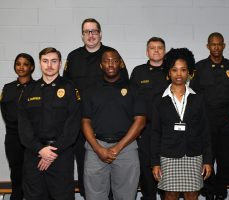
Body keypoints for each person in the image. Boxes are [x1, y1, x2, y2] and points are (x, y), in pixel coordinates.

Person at [63, 18, 129, 198]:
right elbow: (67, 90)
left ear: (100, 33)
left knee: (112, 170)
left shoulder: (112, 55)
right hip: (80, 124)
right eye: (87, 32)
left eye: (94, 31)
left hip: (108, 124)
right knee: (86, 170)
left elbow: (125, 88)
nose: (90, 35)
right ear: (82, 35)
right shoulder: (73, 57)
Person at [81, 48, 146, 200]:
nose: (110, 64)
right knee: (94, 197)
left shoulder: (134, 89)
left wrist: (118, 147)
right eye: (106, 61)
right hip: (95, 147)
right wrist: (98, 149)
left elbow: (141, 121)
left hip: (127, 148)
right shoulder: (90, 91)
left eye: (114, 61)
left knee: (126, 196)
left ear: (121, 64)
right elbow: (85, 121)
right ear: (101, 65)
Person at [18, 47, 81, 200]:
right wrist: (40, 149)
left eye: (54, 61)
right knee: (34, 196)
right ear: (40, 63)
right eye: (45, 61)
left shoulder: (70, 88)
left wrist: (53, 152)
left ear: (60, 63)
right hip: (34, 155)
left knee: (62, 196)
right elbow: (23, 126)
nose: (49, 65)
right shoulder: (29, 90)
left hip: (61, 155)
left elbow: (73, 125)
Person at [151, 48, 212, 200]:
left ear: (189, 72)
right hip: (168, 156)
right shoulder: (159, 100)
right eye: (174, 70)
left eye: (183, 70)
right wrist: (155, 163)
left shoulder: (199, 99)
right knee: (170, 195)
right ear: (168, 73)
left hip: (193, 155)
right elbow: (155, 133)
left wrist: (208, 160)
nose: (179, 74)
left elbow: (205, 132)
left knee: (191, 195)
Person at [189, 32, 229, 200]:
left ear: (224, 46)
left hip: (227, 121)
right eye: (213, 44)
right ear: (208, 46)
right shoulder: (199, 67)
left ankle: (221, 191)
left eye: (219, 44)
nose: (216, 47)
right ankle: (209, 191)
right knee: (207, 156)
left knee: (226, 157)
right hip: (206, 120)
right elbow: (193, 96)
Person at [130, 36, 168, 200]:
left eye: (160, 47)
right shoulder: (138, 72)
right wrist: (134, 129)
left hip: (168, 130)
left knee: (167, 166)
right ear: (147, 52)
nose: (156, 50)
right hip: (145, 130)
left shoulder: (173, 70)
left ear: (164, 51)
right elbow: (130, 102)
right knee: (146, 168)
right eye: (153, 48)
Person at [0, 53, 35, 200]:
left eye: (25, 64)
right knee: (16, 171)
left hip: (33, 138)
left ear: (32, 67)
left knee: (32, 172)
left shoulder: (37, 88)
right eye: (18, 64)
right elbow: (5, 112)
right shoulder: (7, 88)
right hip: (13, 138)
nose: (21, 67)